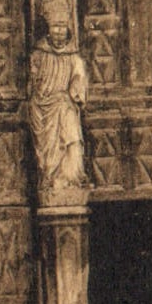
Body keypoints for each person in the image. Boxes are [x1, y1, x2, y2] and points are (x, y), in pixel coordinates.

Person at [28, 17, 87, 196]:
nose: (59, 31)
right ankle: (50, 178)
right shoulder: (38, 54)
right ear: (48, 29)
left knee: (72, 139)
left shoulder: (74, 57)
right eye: (55, 25)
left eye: (62, 26)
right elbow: (32, 82)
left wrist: (75, 92)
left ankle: (70, 180)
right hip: (43, 107)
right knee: (48, 148)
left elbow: (78, 81)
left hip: (64, 105)